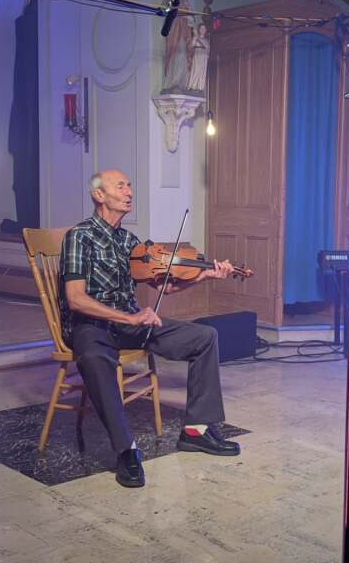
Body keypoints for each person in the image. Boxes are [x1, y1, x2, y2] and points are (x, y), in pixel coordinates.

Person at [59, 169, 240, 488]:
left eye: (129, 185)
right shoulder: (80, 236)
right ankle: (126, 450)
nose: (129, 191)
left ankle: (196, 431)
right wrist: (129, 318)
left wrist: (203, 277)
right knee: (95, 357)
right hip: (91, 324)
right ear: (99, 196)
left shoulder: (129, 241)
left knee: (204, 337)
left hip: (129, 322)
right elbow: (75, 299)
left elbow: (164, 287)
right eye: (120, 186)